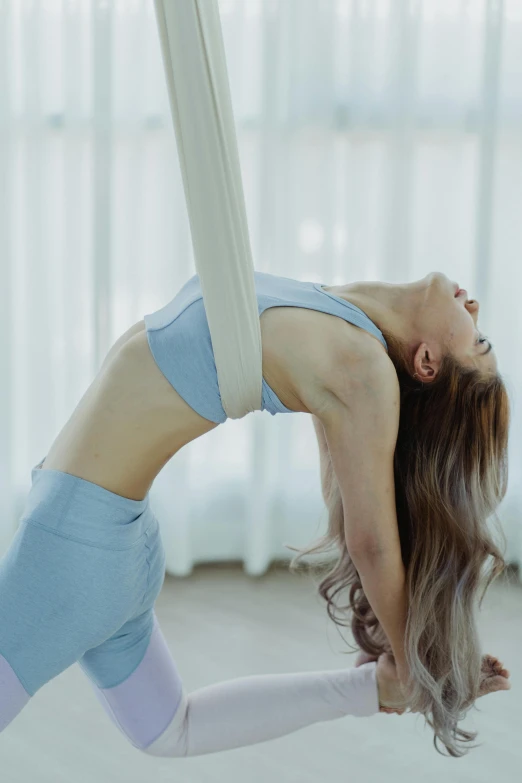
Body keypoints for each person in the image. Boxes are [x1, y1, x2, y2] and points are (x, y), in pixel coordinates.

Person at [0, 270, 511, 756]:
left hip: (76, 551)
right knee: (168, 730)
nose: (474, 306)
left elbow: (373, 544)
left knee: (170, 730)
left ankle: (391, 685)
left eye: (478, 339)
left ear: (427, 362)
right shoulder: (344, 327)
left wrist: (417, 669)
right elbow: (354, 503)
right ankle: (371, 690)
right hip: (114, 542)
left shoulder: (362, 368)